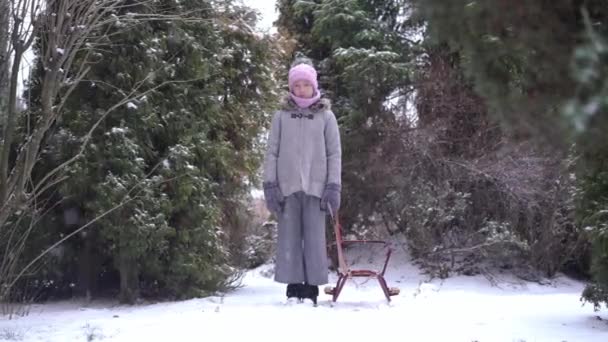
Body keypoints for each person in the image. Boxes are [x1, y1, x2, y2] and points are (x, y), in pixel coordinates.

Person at [262, 57, 342, 305]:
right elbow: (271, 151)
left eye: (306, 84)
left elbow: (334, 153)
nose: (301, 89)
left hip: (317, 187)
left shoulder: (326, 116)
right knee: (289, 238)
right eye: (296, 85)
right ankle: (293, 288)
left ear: (314, 86)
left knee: (315, 238)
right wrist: (270, 184)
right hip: (287, 187)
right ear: (291, 87)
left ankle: (311, 290)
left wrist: (333, 186)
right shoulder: (281, 116)